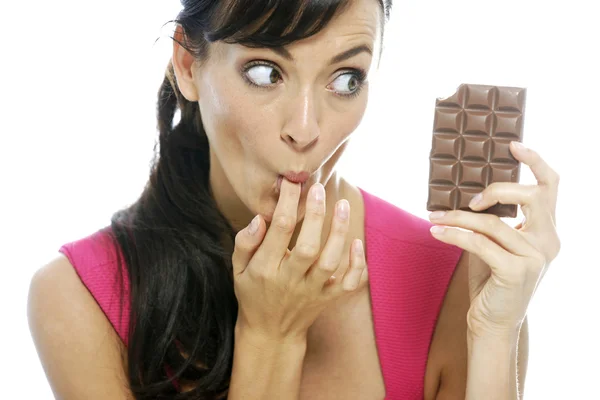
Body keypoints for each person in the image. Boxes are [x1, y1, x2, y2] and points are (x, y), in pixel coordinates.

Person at [27, 0, 561, 398]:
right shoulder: (80, 300)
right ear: (189, 66)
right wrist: (270, 337)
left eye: (346, 78)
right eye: (265, 73)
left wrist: (495, 334)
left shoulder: (454, 281)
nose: (305, 130)